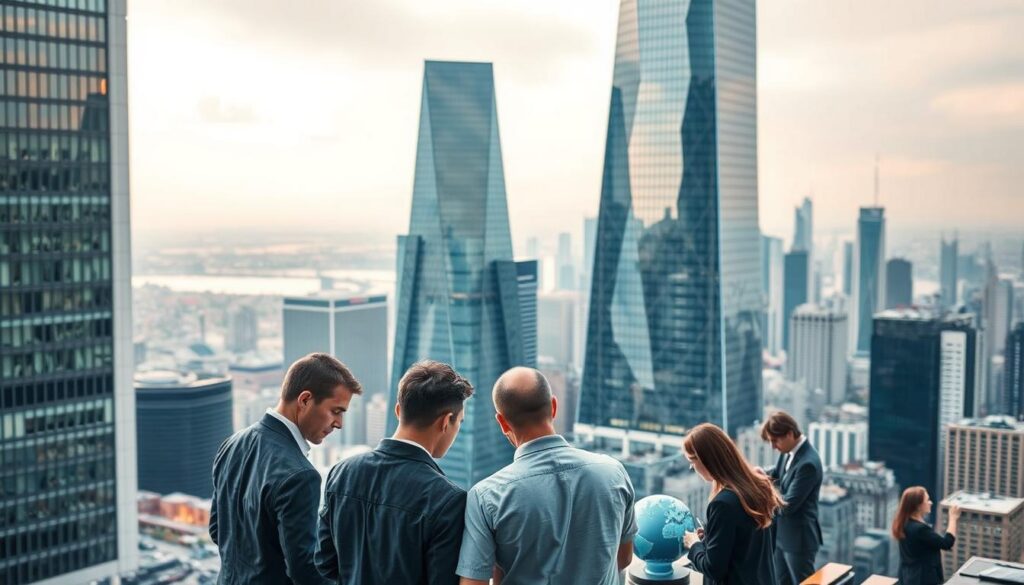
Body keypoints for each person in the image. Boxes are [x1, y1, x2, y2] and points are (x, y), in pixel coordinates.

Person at [456, 367, 636, 585]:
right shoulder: (613, 471)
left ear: (502, 423)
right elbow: (624, 557)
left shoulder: (486, 497)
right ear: (553, 406)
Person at [315, 361, 474, 584]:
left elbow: (324, 564)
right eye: (460, 422)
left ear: (398, 410)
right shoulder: (447, 500)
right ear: (446, 421)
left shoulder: (341, 473)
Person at [210, 353, 362, 584]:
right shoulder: (300, 475)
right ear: (305, 400)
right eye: (336, 411)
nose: (339, 424)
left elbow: (217, 529)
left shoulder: (232, 444)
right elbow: (304, 570)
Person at [682, 423, 783, 585]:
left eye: (692, 461)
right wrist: (711, 538)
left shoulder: (722, 504)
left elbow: (713, 568)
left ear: (706, 459)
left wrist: (694, 544)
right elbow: (753, 544)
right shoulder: (759, 486)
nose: (692, 467)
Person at [759, 411, 824, 585]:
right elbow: (778, 474)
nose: (773, 446)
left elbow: (788, 506)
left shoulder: (808, 464)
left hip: (799, 540)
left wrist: (762, 494)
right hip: (782, 536)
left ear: (789, 434)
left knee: (805, 583)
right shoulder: (789, 451)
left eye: (775, 440)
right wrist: (759, 473)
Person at [892, 486, 960, 584]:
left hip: (908, 578)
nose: (930, 502)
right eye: (927, 500)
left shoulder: (904, 524)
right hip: (924, 580)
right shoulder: (920, 530)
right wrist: (953, 518)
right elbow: (947, 543)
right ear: (918, 505)